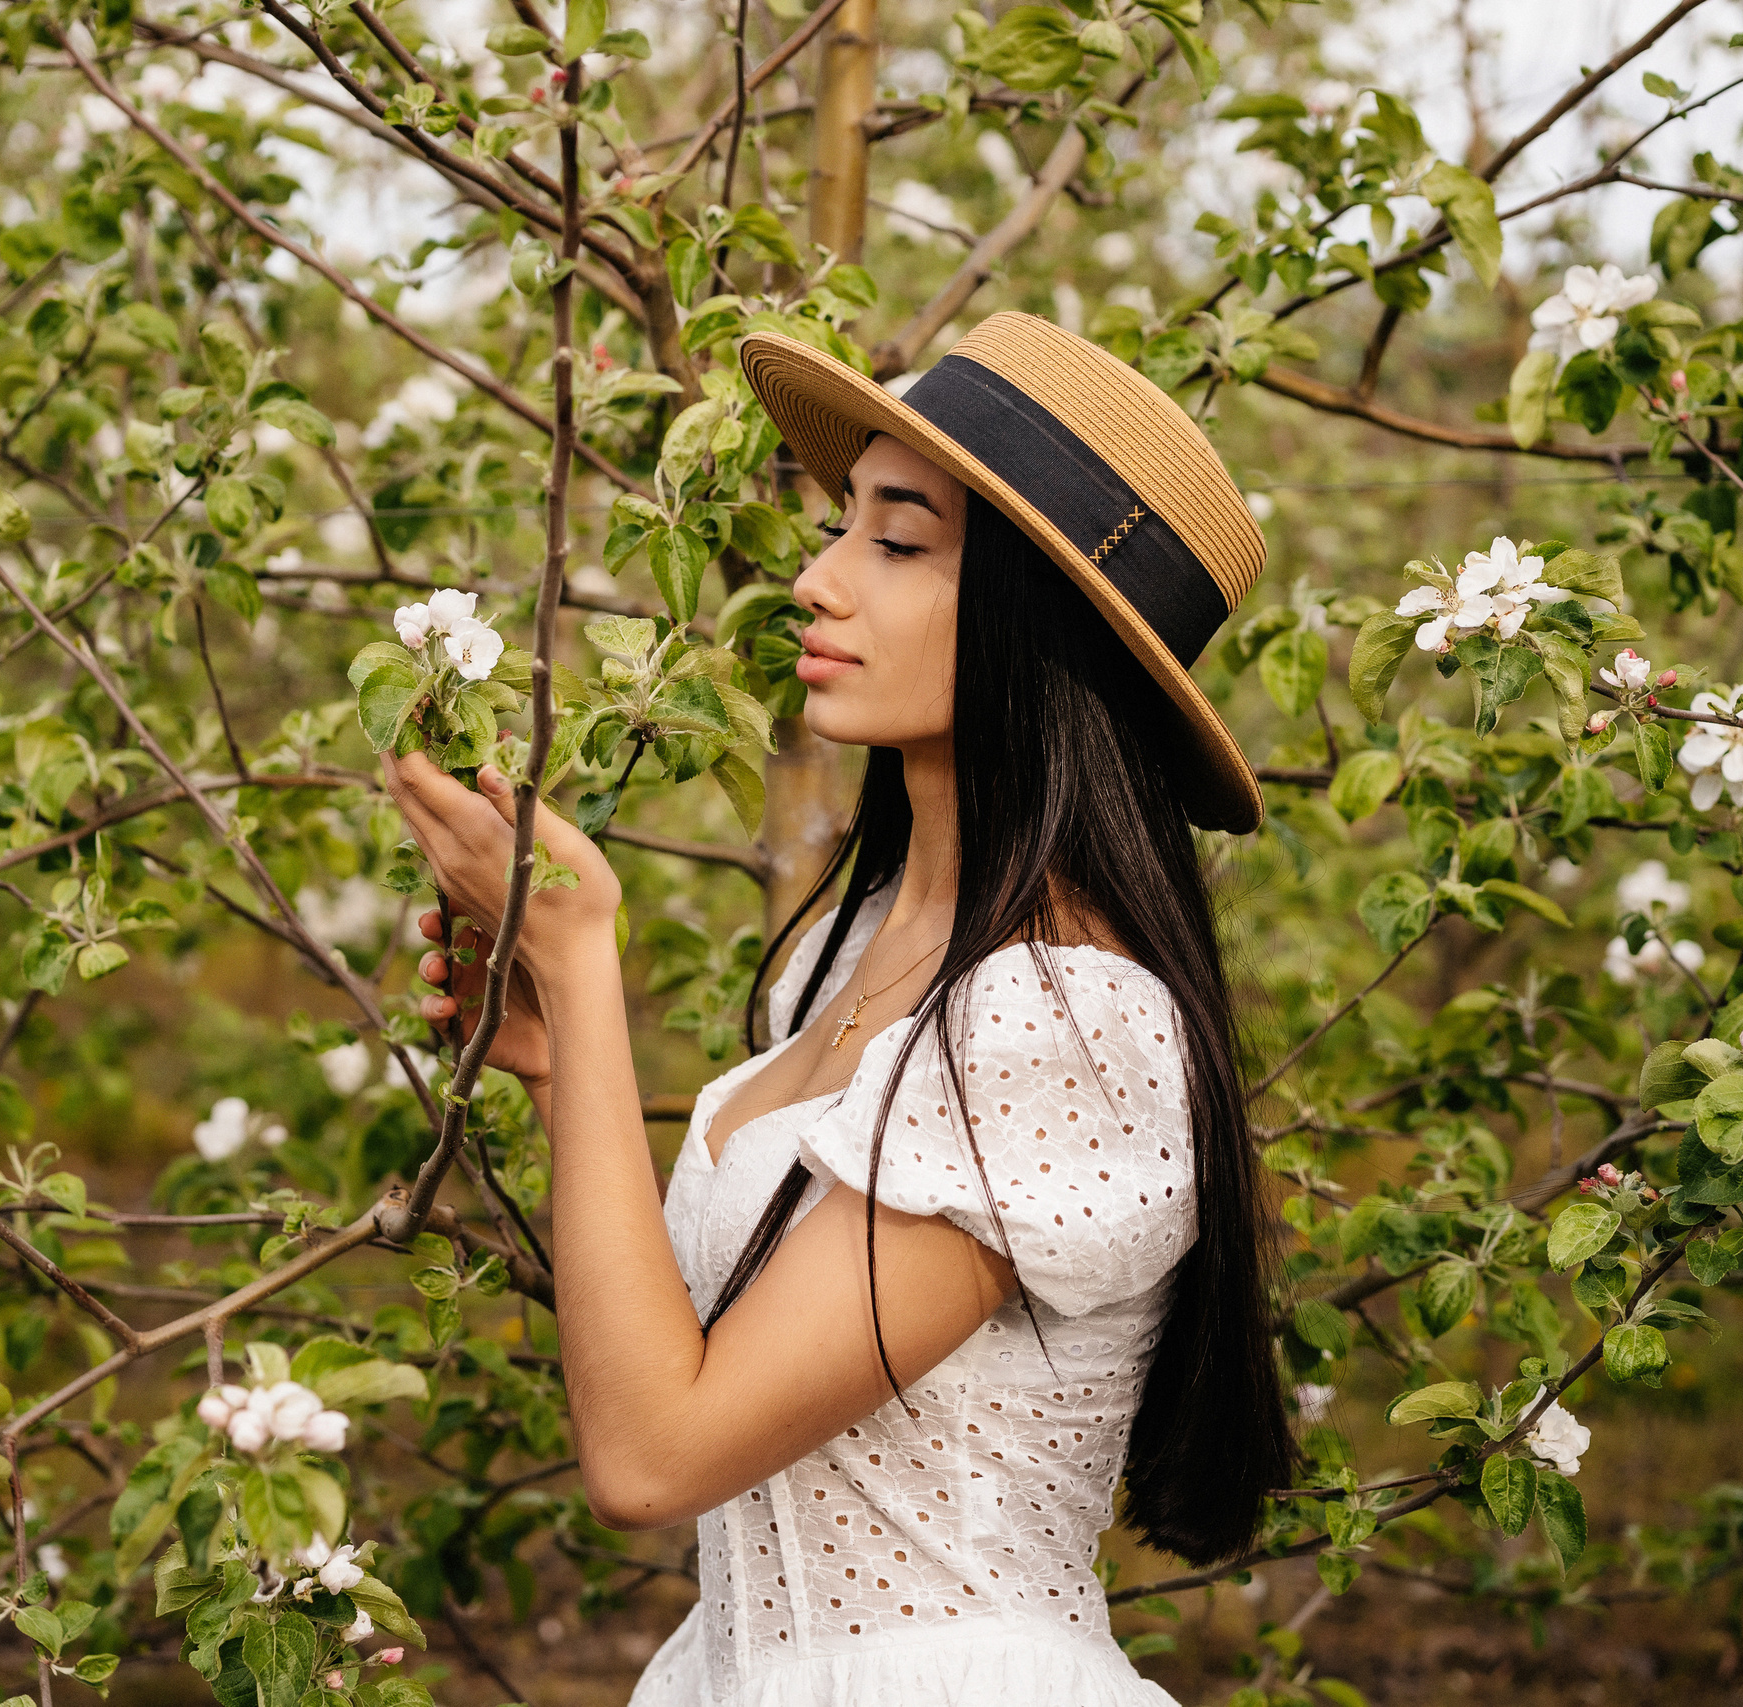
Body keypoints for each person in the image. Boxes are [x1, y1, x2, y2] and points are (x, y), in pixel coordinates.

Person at [380, 312, 1292, 1706]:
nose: (815, 581)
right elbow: (700, 1371)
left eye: (897, 540)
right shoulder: (862, 947)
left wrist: (583, 961)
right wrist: (568, 1072)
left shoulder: (1063, 1022)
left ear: (1036, 619)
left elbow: (653, 1459)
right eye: (841, 526)